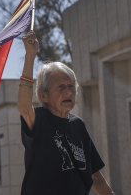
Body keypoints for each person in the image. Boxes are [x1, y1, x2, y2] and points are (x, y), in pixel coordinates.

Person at [18, 30, 114, 195]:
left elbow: (95, 178)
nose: (68, 92)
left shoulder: (78, 125)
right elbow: (24, 106)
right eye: (61, 87)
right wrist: (30, 56)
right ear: (43, 95)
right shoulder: (39, 119)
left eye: (71, 86)